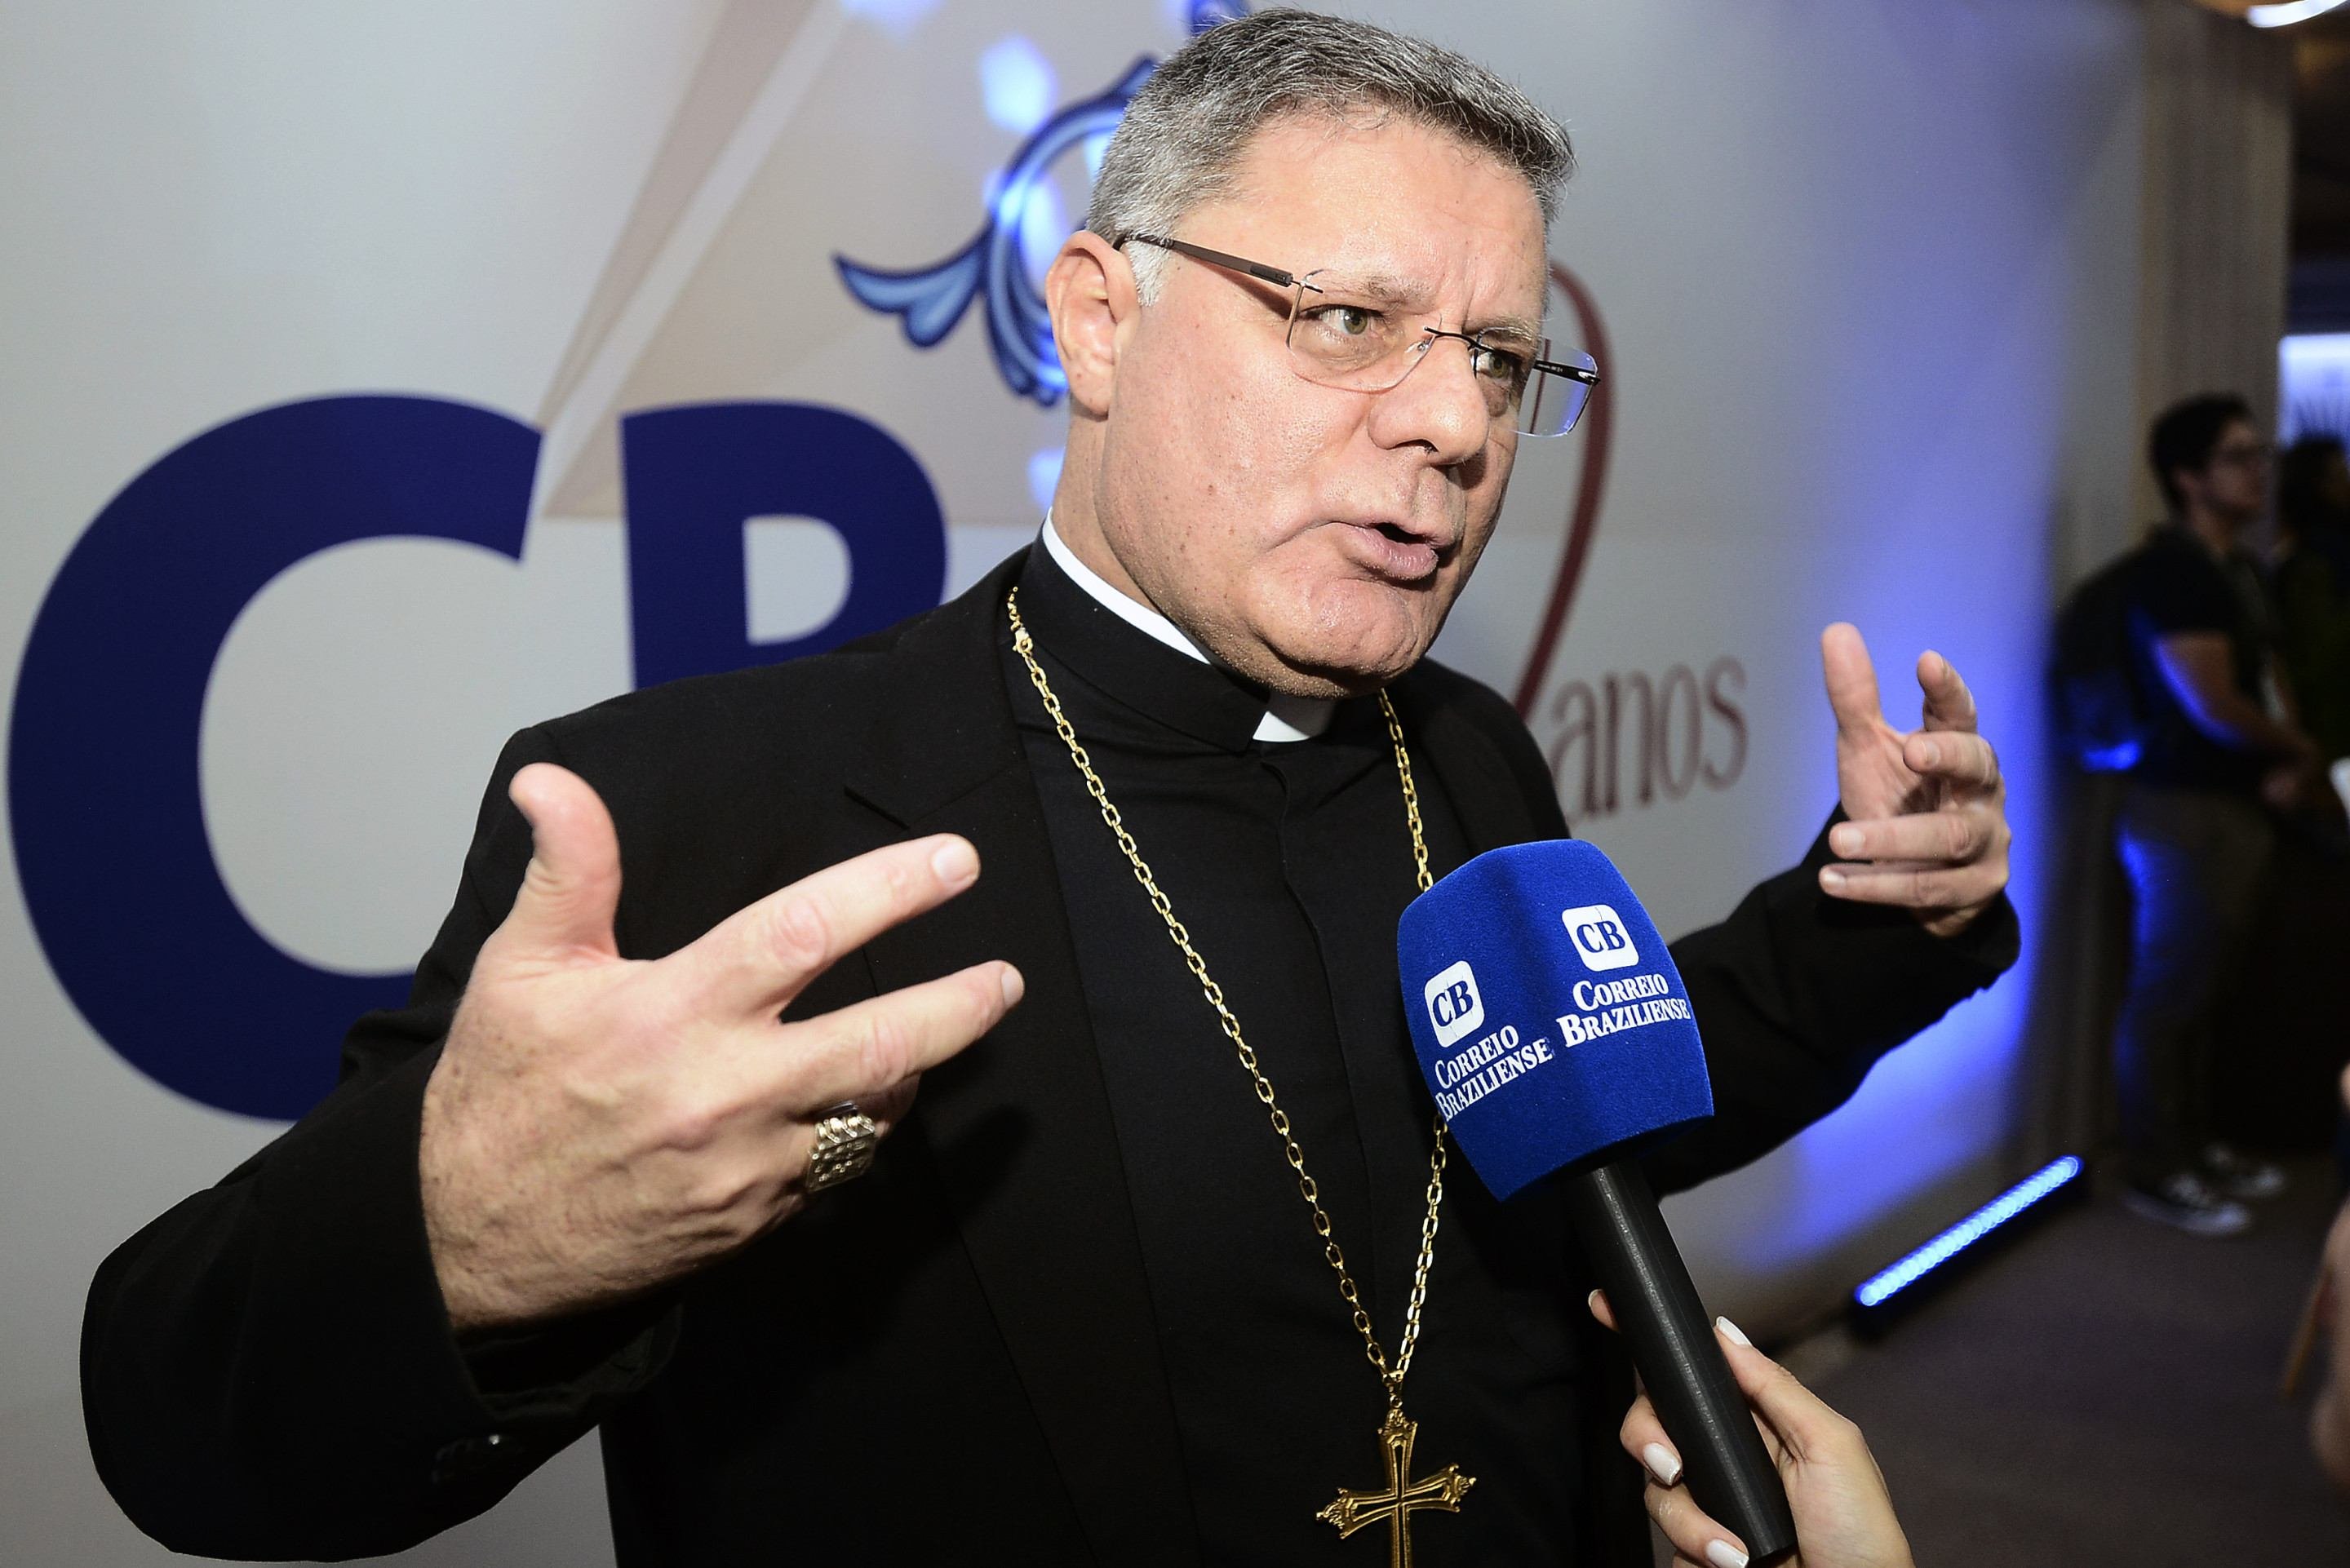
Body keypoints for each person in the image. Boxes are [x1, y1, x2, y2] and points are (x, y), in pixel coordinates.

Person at [79, 12, 2016, 1564]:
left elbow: (1579, 1107)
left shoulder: (1470, 749)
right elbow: (183, 1421)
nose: (1449, 423)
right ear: (1098, 318)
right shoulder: (697, 814)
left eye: (1500, 359)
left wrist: (1882, 909)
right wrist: (463, 1239)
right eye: (1344, 320)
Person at [2108, 395, 2310, 1238]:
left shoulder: (2238, 568)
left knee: (2205, 985)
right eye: (2236, 454)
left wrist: (2288, 750)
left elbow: (2260, 677)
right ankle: (2156, 1166)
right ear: (2188, 477)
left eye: (2259, 451)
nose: (2258, 467)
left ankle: (2193, 1144)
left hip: (2227, 806)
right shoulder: (2176, 571)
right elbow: (2213, 701)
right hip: (2182, 808)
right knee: (2170, 988)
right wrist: (2294, 751)